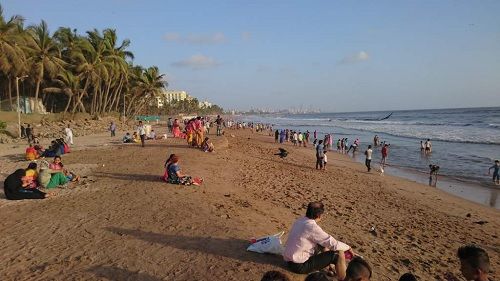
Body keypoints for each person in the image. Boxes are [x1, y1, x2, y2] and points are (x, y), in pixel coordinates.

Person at [283, 202, 352, 280]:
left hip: (289, 261)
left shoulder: (300, 220)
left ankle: (332, 268)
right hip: (299, 266)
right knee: (337, 254)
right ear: (319, 215)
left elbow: (326, 241)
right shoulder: (312, 227)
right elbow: (334, 244)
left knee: (323, 244)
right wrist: (348, 247)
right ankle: (343, 279)